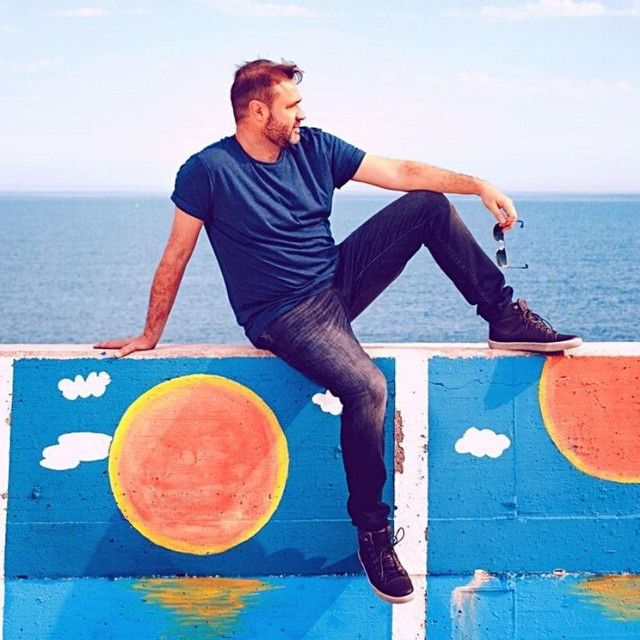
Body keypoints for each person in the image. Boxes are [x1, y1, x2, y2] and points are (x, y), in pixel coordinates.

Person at [94, 58, 581, 605]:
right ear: (258, 112)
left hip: (335, 281)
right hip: (282, 314)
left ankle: (503, 315)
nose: (302, 114)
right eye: (291, 105)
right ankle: (373, 535)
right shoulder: (208, 171)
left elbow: (401, 173)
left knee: (427, 205)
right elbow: (175, 255)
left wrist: (478, 186)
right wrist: (150, 332)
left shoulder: (315, 147)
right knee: (367, 387)